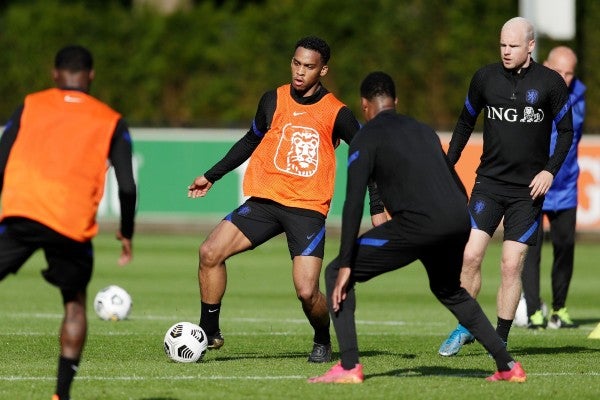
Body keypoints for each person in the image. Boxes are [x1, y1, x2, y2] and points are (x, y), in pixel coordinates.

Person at [308, 71, 526, 384]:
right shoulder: (423, 130)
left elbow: (353, 202)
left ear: (364, 105)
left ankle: (349, 365)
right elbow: (453, 180)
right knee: (449, 290)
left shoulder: (366, 137)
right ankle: (507, 366)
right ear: (395, 102)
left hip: (420, 224)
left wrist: (346, 262)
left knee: (334, 273)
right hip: (457, 218)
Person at [187, 36, 381, 363]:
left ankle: (322, 338)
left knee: (307, 291)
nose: (300, 72)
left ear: (323, 70)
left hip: (307, 209)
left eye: (308, 66)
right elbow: (250, 140)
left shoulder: (337, 112)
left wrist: (376, 205)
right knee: (209, 252)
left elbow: (368, 154)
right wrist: (212, 175)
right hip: (265, 200)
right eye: (296, 63)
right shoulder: (272, 100)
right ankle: (209, 332)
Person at [0, 45, 137, 400]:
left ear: (55, 74)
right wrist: (126, 232)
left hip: (21, 213)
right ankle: (61, 395)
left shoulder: (30, 104)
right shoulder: (111, 119)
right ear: (90, 76)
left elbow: (1, 161)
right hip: (70, 223)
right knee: (74, 304)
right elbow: (126, 185)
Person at [438, 17, 574, 357]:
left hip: (527, 191)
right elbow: (465, 121)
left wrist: (549, 171)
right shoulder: (485, 78)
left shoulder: (551, 82)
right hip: (488, 184)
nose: (507, 52)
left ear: (530, 46)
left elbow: (568, 132)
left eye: (513, 46)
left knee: (512, 264)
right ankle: (466, 325)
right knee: (469, 255)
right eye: (502, 45)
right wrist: (446, 165)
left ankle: (499, 336)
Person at [521, 46, 585, 329]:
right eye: (558, 71)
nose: (564, 77)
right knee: (530, 250)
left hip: (566, 187)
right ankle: (534, 311)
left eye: (569, 73)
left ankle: (559, 309)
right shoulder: (530, 93)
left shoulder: (579, 98)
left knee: (565, 247)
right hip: (534, 184)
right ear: (545, 65)